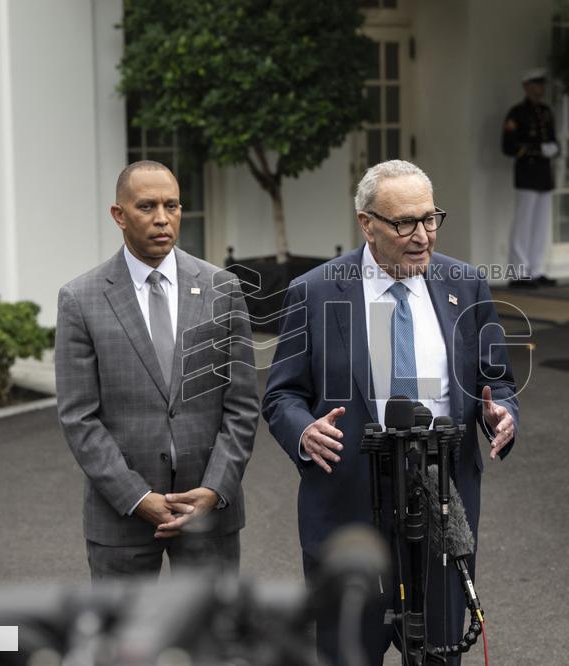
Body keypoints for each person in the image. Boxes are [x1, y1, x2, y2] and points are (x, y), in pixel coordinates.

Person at [262, 160, 519, 664]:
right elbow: (281, 396)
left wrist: (502, 412)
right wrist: (304, 432)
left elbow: (499, 381)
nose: (422, 235)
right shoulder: (314, 293)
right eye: (404, 223)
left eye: (430, 218)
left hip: (444, 508)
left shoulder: (465, 285)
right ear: (367, 223)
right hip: (348, 510)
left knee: (437, 654)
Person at [55, 160, 258, 581]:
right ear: (119, 215)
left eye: (173, 205)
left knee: (212, 642)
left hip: (209, 514)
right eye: (147, 206)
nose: (163, 218)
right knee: (123, 644)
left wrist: (215, 489)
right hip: (122, 519)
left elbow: (240, 406)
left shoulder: (223, 288)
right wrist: (137, 496)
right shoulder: (81, 299)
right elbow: (79, 417)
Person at [502, 67, 559, 288]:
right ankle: (519, 272)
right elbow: (508, 146)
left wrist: (553, 148)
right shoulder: (517, 113)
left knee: (541, 224)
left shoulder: (546, 111)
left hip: (544, 174)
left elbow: (552, 139)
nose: (540, 88)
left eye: (542, 84)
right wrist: (537, 149)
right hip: (527, 172)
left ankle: (537, 269)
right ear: (526, 86)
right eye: (536, 84)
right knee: (523, 224)